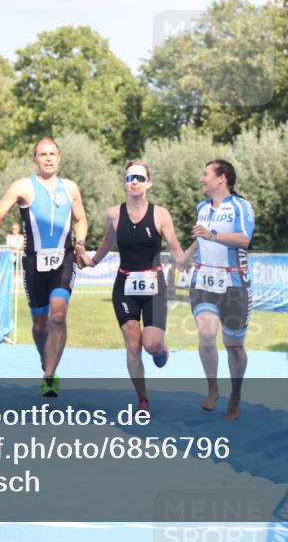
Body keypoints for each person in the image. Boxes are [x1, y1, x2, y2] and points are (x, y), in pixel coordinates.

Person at [87, 160, 186, 411]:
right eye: (130, 177)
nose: (134, 182)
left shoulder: (161, 214)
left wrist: (187, 261)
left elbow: (175, 248)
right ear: (124, 182)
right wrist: (92, 261)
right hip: (124, 284)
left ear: (148, 183)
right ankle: (142, 398)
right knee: (133, 344)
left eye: (140, 178)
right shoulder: (113, 213)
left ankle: (161, 348)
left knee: (150, 345)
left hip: (154, 285)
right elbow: (108, 242)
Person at [0, 137, 89, 397]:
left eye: (52, 154)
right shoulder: (23, 186)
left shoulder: (70, 188)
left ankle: (49, 375)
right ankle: (46, 362)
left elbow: (81, 219)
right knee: (39, 324)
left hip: (64, 258)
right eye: (42, 154)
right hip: (34, 261)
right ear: (35, 159)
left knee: (57, 315)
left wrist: (79, 244)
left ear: (59, 158)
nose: (48, 158)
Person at [179, 159, 254, 420]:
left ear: (221, 178)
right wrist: (186, 254)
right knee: (206, 335)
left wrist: (211, 234)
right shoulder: (202, 207)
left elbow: (244, 239)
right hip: (203, 281)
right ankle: (213, 389)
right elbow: (201, 237)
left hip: (234, 284)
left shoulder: (241, 206)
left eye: (205, 174)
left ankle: (235, 393)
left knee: (234, 346)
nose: (201, 179)